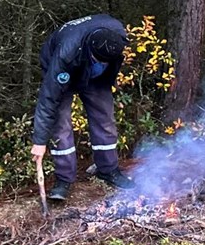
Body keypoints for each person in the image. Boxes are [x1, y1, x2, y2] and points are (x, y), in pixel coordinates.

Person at [30, 14, 136, 202]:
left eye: (106, 62)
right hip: (66, 68)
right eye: (99, 60)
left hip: (94, 77)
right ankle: (64, 179)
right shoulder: (65, 56)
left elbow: (110, 65)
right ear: (90, 49)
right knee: (60, 123)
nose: (103, 63)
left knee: (104, 117)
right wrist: (39, 142)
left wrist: (103, 70)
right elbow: (48, 99)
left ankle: (108, 170)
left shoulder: (116, 39)